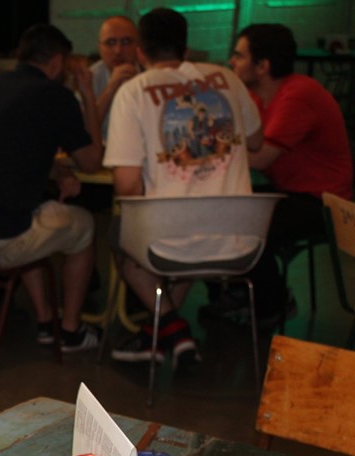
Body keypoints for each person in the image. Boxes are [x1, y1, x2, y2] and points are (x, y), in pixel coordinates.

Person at [104, 7, 263, 364]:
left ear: (140, 52)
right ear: (186, 48)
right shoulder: (228, 79)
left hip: (172, 241)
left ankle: (171, 329)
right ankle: (166, 334)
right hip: (241, 240)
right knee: (185, 229)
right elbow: (255, 141)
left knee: (122, 236)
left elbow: (127, 187)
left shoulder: (133, 92)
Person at [0, 23, 103, 353]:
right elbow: (91, 162)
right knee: (84, 224)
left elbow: (12, 149)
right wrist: (88, 95)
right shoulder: (55, 96)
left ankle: (46, 322)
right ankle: (70, 330)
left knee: (33, 208)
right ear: (57, 62)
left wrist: (58, 170)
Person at [226, 23, 353, 322]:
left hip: (323, 201)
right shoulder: (257, 96)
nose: (232, 62)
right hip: (291, 192)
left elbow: (260, 158)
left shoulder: (297, 95)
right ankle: (237, 293)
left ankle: (274, 304)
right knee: (218, 209)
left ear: (263, 66)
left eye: (239, 56)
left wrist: (207, 150)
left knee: (248, 225)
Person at [89, 15, 139, 141]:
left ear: (138, 45)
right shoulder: (90, 77)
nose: (118, 51)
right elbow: (83, 132)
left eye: (126, 42)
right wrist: (111, 88)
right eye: (110, 43)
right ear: (100, 48)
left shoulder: (149, 73)